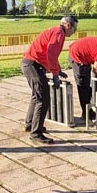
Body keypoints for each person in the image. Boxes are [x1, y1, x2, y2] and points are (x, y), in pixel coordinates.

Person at [21, 15, 78, 144]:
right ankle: (36, 133)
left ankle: (30, 124)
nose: (75, 31)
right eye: (74, 28)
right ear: (68, 25)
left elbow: (51, 55)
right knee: (43, 98)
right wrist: (55, 75)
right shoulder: (59, 33)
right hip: (32, 65)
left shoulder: (56, 31)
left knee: (36, 96)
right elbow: (51, 54)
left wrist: (57, 70)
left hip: (30, 64)